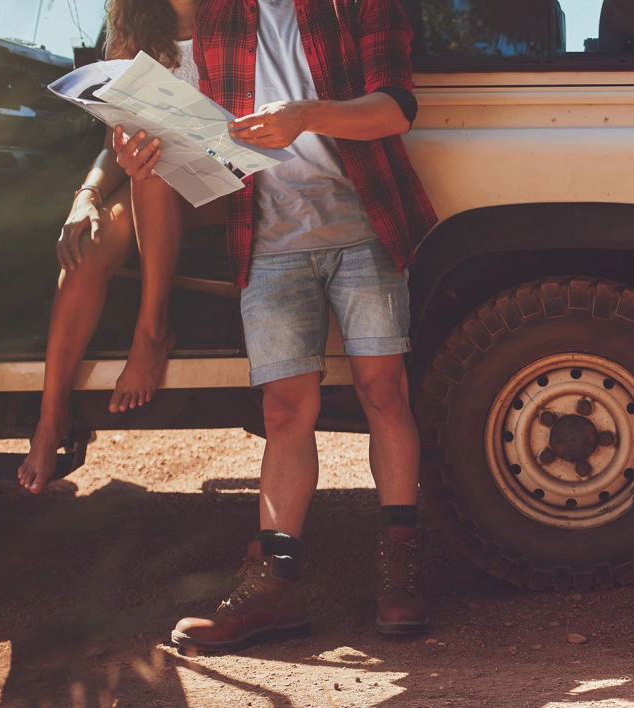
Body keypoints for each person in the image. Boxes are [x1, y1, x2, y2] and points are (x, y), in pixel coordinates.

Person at [168, 0, 438, 652]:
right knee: (286, 409)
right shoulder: (221, 16)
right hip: (267, 236)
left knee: (384, 391)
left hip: (366, 225)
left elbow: (396, 106)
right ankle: (277, 587)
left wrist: (307, 115)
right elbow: (193, 123)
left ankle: (401, 568)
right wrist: (147, 141)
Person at [17, 0, 221, 495]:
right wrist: (85, 196)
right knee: (88, 243)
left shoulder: (239, 17)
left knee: (151, 165)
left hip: (225, 187)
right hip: (153, 183)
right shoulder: (133, 27)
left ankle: (152, 331)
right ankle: (52, 416)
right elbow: (117, 143)